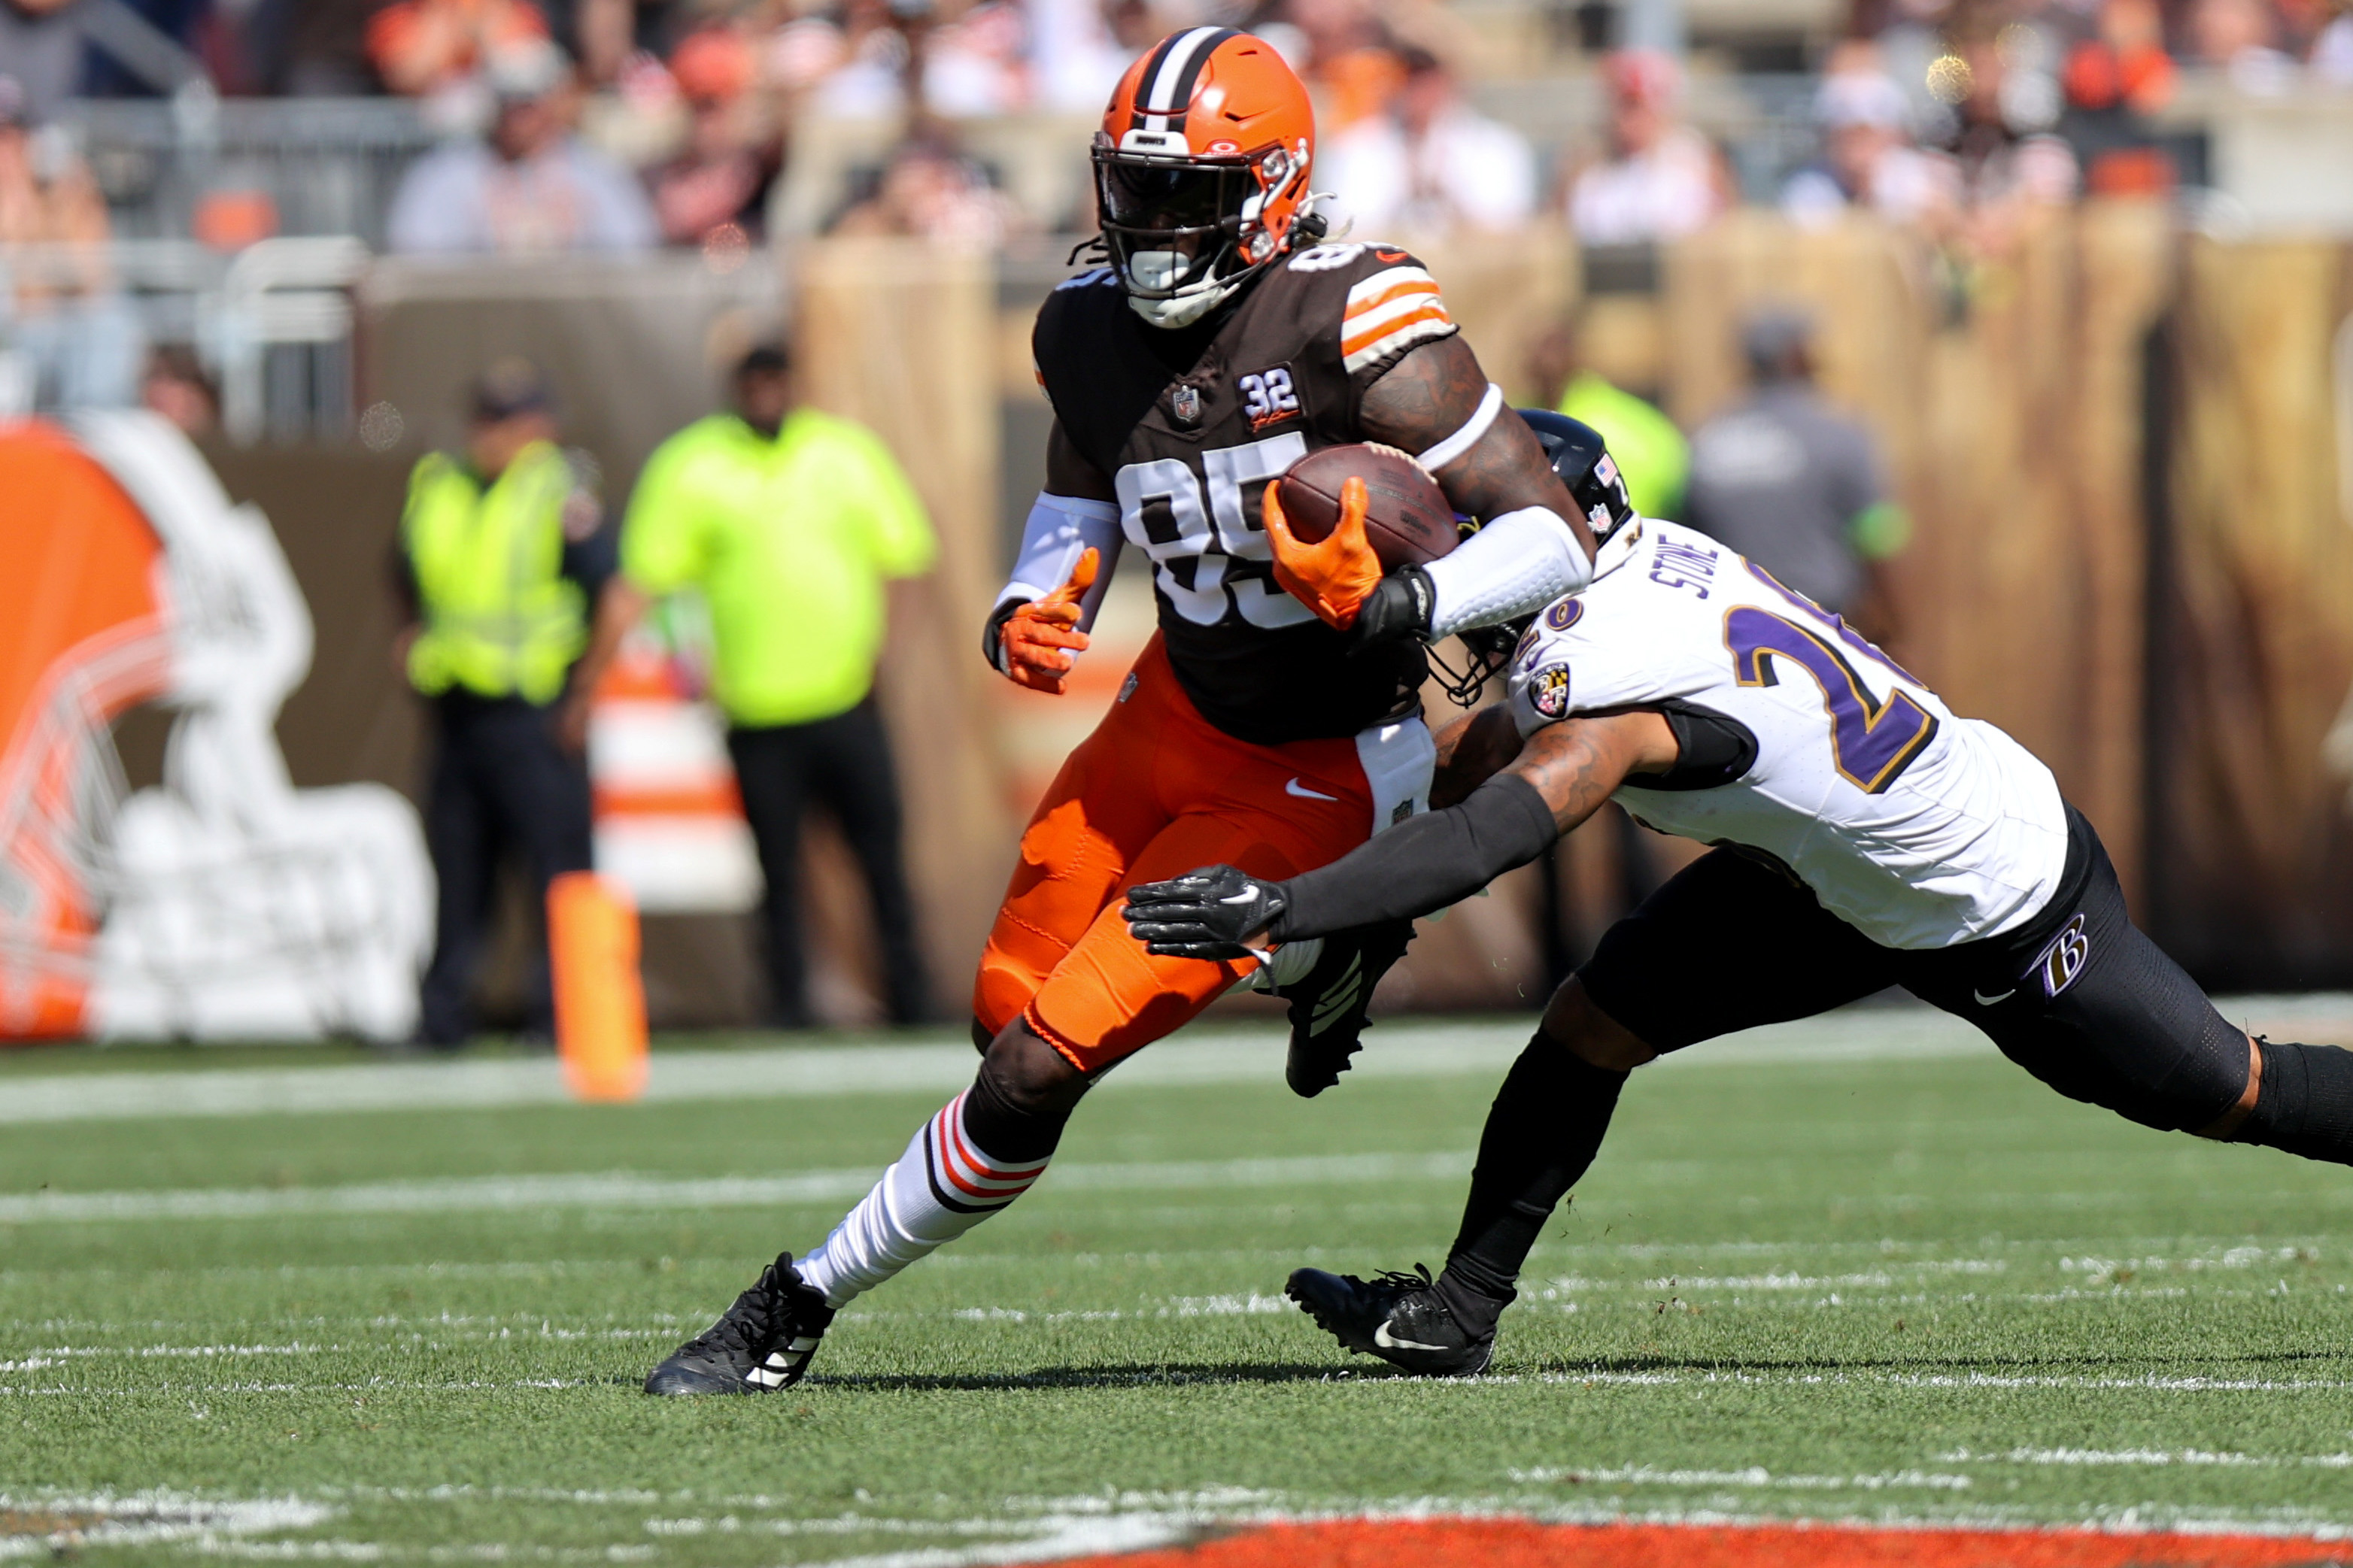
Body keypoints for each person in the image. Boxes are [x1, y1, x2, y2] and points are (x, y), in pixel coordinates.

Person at [642, 27, 1596, 1396]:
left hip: (1317, 762)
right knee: (999, 1017)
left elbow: (1550, 534)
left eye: (1185, 195)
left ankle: (790, 1308)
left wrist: (1403, 604)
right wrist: (1046, 592)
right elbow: (1083, 491)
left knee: (1034, 1072)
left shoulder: (1355, 314)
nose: (1150, 227)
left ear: (1270, 191)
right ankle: (1326, 952)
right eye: (1132, 190)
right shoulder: (1083, 321)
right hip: (1167, 712)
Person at [1124, 417, 2353, 1378]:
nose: (1462, 549)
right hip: (1822, 877)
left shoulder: (1593, 675)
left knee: (2227, 1092)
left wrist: (1289, 905)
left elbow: (1502, 822)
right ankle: (1458, 1314)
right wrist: (1361, 937)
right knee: (1585, 1028)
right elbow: (1485, 764)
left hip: (1991, 889)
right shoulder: (1637, 562)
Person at [603, 343, 938, 1031]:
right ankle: (788, 1004)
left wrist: (885, 654)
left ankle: (910, 997)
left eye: (775, 379)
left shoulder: (842, 453)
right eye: (753, 381)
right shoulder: (694, 463)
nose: (765, 393)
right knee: (777, 872)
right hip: (754, 702)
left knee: (879, 856)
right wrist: (682, 660)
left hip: (845, 694)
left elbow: (904, 557)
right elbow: (651, 578)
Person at [394, 359, 618, 1048]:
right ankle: (444, 1017)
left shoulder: (558, 492)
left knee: (557, 872)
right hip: (460, 709)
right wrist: (409, 640)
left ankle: (563, 1018)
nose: (493, 434)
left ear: (539, 426)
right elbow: (404, 572)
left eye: (510, 419)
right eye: (486, 417)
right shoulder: (439, 485)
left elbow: (609, 595)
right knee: (459, 873)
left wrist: (583, 695)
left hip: (537, 711)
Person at [1683, 309, 1908, 632]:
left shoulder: (1704, 438)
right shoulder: (1836, 432)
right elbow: (1876, 536)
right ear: (1795, 354)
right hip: (1821, 625)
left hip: (1731, 628)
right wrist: (1895, 628)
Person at [384, 43, 658, 256]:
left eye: (529, 100)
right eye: (507, 100)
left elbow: (635, 251)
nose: (518, 114)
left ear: (555, 100)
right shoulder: (448, 173)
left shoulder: (597, 171)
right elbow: (416, 254)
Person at [1318, 46, 1536, 238]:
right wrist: (1403, 183)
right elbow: (1343, 226)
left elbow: (1508, 223)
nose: (1417, 93)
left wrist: (1447, 186)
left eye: (1426, 81)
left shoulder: (1495, 145)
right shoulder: (1354, 145)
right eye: (1408, 81)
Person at [1526, 313, 1687, 521]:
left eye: (1551, 347)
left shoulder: (1624, 424)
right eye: (1532, 349)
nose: (1541, 359)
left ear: (1575, 353)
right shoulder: (1522, 414)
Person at [1564, 49, 1732, 247]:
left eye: (1639, 107)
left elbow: (1724, 232)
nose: (1630, 120)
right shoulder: (1585, 165)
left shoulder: (1697, 161)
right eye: (1623, 107)